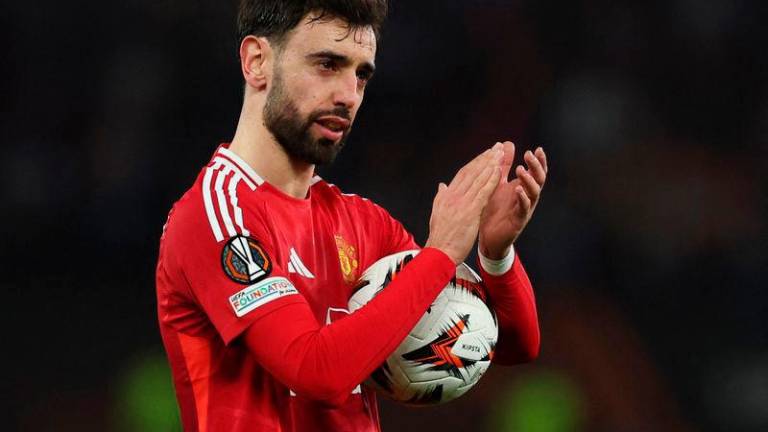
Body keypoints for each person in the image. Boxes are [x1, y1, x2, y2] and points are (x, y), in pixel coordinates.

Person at [156, 1, 548, 431]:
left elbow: (511, 345)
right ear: (256, 61)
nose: (348, 95)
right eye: (327, 64)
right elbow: (315, 373)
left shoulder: (362, 222)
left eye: (361, 74)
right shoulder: (216, 214)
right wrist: (440, 254)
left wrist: (496, 255)